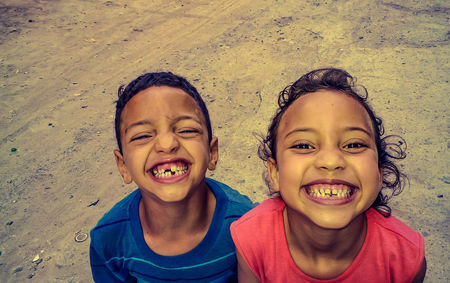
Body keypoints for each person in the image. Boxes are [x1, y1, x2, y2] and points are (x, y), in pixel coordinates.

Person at [231, 68, 426, 282]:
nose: (331, 162)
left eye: (354, 144)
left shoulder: (405, 259)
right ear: (275, 172)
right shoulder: (251, 238)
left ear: (379, 173)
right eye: (304, 145)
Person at [89, 72, 254, 282]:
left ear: (212, 153)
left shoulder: (245, 226)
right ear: (123, 166)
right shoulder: (109, 241)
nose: (167, 144)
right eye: (142, 136)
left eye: (186, 130)